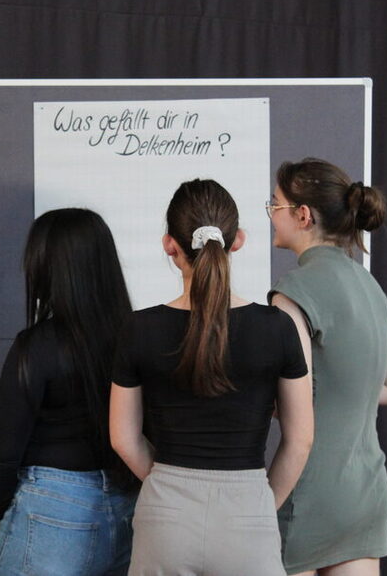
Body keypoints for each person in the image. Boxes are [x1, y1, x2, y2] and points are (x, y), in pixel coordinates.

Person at [110, 178, 315, 576]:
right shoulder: (277, 327)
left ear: (170, 244)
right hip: (247, 511)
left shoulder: (139, 329)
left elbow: (122, 437)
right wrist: (256, 505)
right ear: (237, 240)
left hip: (166, 512)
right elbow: (300, 439)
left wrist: (167, 481)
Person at [266, 158, 387, 576]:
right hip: (365, 491)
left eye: (274, 205)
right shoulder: (370, 285)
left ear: (302, 215)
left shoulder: (291, 293)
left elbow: (298, 429)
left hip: (307, 493)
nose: (271, 216)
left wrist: (259, 512)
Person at [0, 208, 139, 576]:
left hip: (51, 507)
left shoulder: (36, 346)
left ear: (50, 268)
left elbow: (2, 454)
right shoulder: (136, 336)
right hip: (127, 507)